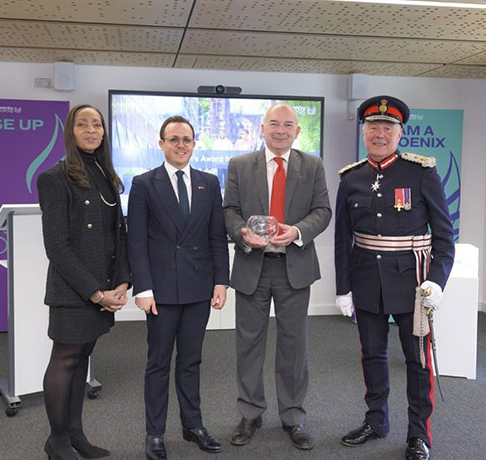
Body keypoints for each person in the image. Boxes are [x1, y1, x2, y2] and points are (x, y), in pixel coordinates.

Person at [334, 96, 455, 460]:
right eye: (373, 127)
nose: (379, 134)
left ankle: (419, 435)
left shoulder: (421, 173)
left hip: (413, 283)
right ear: (364, 132)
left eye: (387, 128)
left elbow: (445, 235)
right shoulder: (351, 177)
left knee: (417, 362)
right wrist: (343, 289)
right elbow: (342, 239)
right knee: (372, 356)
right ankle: (376, 421)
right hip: (367, 281)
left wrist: (437, 280)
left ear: (401, 132)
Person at [223, 103, 331, 451]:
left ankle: (293, 417)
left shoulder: (312, 165)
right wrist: (242, 233)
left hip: (294, 267)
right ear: (262, 128)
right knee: (248, 346)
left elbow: (323, 211)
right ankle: (250, 413)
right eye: (274, 123)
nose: (281, 129)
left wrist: (297, 231)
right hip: (253, 265)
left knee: (294, 347)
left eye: (288, 124)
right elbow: (229, 211)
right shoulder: (240, 165)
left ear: (298, 131)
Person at [127, 115, 229, 460]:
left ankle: (193, 425)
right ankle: (155, 432)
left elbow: (217, 236)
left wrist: (220, 281)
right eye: (174, 139)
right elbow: (136, 241)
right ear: (161, 144)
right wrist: (143, 288)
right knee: (158, 363)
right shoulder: (143, 184)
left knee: (191, 361)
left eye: (186, 139)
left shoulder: (209, 183)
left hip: (199, 287)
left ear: (194, 144)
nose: (181, 145)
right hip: (161, 292)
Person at [37, 104, 131, 460]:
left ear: (104, 132)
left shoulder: (106, 174)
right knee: (65, 359)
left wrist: (122, 281)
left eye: (97, 124)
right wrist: (95, 293)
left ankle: (75, 434)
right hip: (74, 291)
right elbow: (57, 247)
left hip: (105, 288)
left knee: (81, 359)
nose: (91, 130)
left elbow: (118, 234)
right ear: (70, 132)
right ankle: (56, 441)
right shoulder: (54, 178)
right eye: (83, 124)